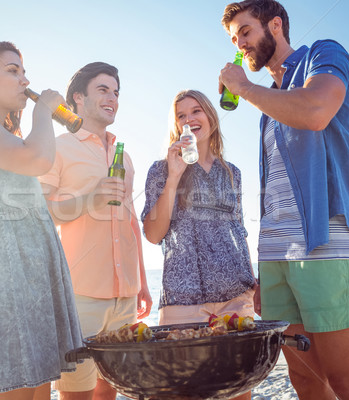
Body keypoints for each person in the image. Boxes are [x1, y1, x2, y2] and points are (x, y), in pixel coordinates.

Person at [219, 2, 349, 399]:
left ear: (275, 25)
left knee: (345, 379)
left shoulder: (324, 55)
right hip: (277, 255)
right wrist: (264, 268)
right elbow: (274, 192)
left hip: (327, 242)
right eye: (234, 39)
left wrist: (244, 88)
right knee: (304, 378)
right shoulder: (266, 104)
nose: (241, 44)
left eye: (246, 32)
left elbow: (317, 110)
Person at [0, 38, 83, 400]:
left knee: (40, 390)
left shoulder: (8, 135)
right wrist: (45, 112)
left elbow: (36, 203)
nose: (25, 80)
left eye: (25, 72)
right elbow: (38, 159)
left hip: (33, 271)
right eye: (12, 71)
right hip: (4, 272)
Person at [38, 62, 153, 400]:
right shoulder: (58, 147)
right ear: (78, 98)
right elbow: (41, 214)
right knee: (78, 394)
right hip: (80, 294)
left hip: (125, 296)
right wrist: (92, 198)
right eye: (103, 90)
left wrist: (142, 284)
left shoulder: (125, 157)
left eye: (116, 92)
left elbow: (130, 223)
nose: (112, 98)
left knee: (111, 390)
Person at [142, 89, 256, 400]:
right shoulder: (161, 169)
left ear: (210, 117)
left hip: (236, 297)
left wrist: (254, 286)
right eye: (181, 115)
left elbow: (240, 231)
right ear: (176, 125)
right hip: (183, 300)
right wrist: (174, 177)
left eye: (196, 111)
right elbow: (153, 234)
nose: (190, 119)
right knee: (184, 391)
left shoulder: (232, 174)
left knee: (239, 391)